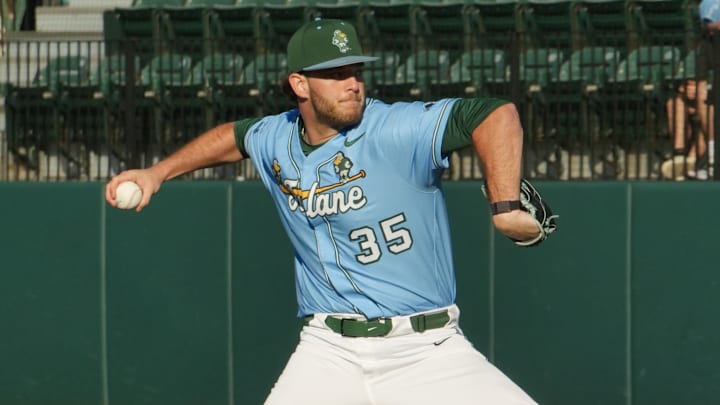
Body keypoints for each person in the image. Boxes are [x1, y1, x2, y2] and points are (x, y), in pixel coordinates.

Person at [106, 18, 547, 404]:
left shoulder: (396, 129)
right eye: (335, 74)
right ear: (300, 85)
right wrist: (158, 172)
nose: (352, 83)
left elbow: (496, 114)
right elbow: (234, 137)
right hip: (329, 352)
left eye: (355, 71)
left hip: (426, 349)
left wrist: (504, 204)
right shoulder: (275, 137)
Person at [661, 0, 718, 180]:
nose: (709, 26)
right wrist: (690, 88)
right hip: (714, 98)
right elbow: (702, 78)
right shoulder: (707, 43)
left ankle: (703, 157)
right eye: (706, 22)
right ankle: (685, 155)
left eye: (712, 21)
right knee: (679, 101)